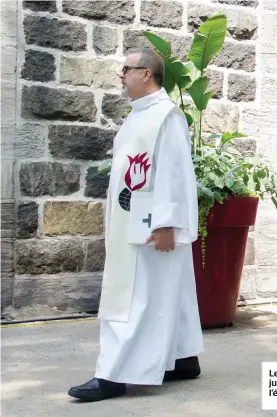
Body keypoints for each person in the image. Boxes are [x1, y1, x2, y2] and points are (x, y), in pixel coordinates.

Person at [68, 48, 204, 401]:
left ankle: (113, 374)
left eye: (126, 70)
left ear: (146, 74)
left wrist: (166, 223)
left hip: (150, 226)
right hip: (133, 221)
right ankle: (182, 359)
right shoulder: (137, 116)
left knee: (132, 297)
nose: (121, 76)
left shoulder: (166, 116)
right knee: (167, 291)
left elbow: (174, 172)